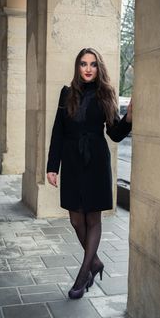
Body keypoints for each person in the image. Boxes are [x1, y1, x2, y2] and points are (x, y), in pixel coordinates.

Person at [46, 48, 132, 299]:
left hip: (95, 160)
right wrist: (53, 166)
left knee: (93, 218)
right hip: (72, 160)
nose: (88, 68)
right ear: (78, 67)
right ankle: (95, 263)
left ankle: (83, 275)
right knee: (76, 219)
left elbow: (114, 133)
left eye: (93, 64)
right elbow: (58, 131)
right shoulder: (67, 93)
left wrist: (129, 117)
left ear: (98, 68)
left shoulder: (106, 94)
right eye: (83, 64)